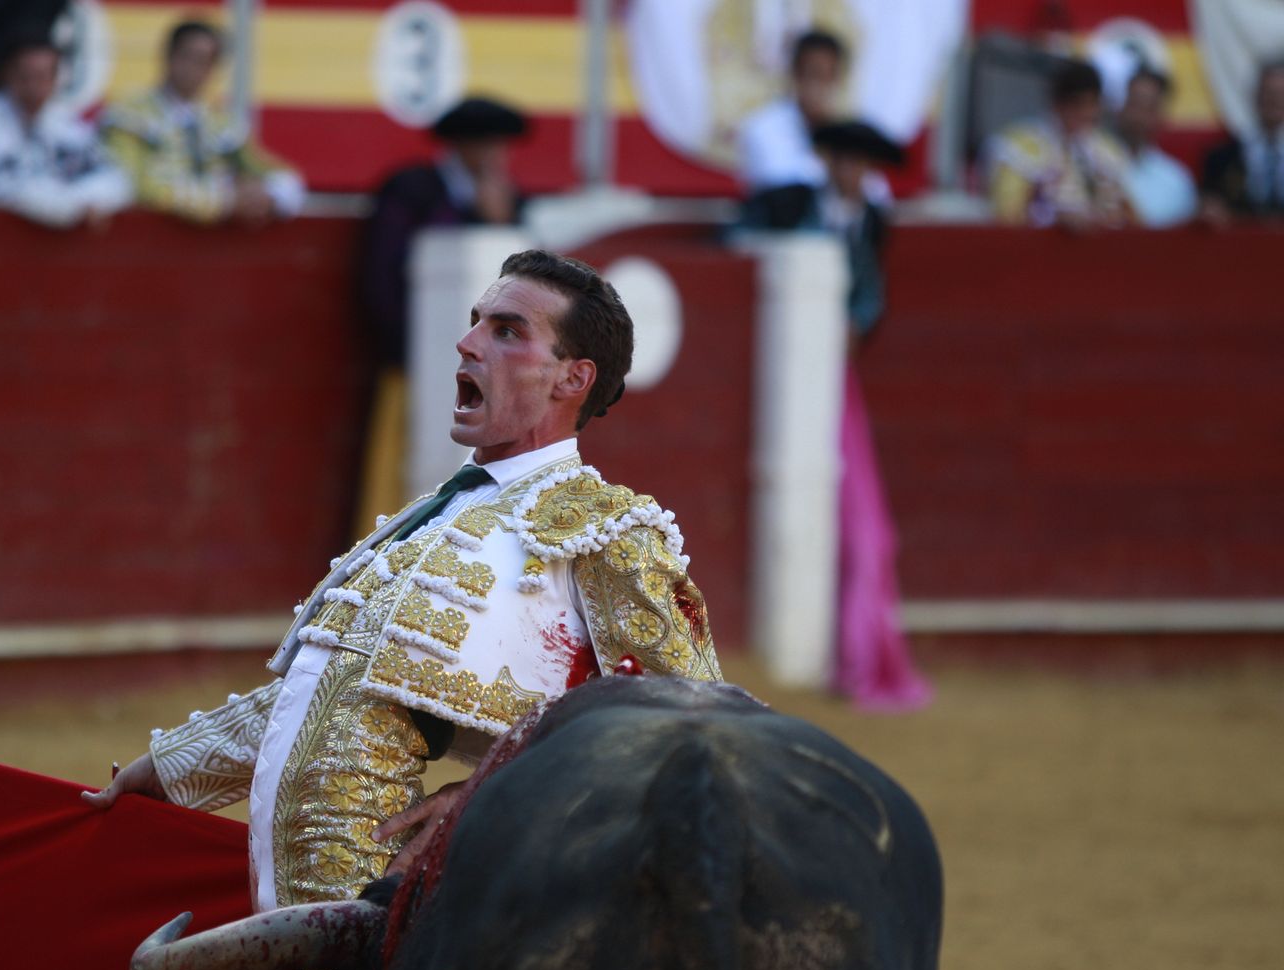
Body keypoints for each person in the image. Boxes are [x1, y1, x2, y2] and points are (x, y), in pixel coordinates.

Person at [85, 250, 725, 912]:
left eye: (508, 331)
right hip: (289, 903)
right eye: (477, 321)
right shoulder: (435, 516)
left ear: (573, 377)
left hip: (401, 912)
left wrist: (490, 798)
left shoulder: (605, 530)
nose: (468, 342)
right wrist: (168, 767)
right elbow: (328, 692)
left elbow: (698, 728)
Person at [739, 121, 931, 713]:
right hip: (781, 372)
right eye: (843, 160)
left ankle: (856, 654)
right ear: (826, 162)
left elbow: (871, 295)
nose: (851, 172)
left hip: (833, 379)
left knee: (865, 526)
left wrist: (854, 324)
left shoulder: (871, 221)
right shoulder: (785, 203)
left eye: (861, 164)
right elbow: (738, 248)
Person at [356, 95, 530, 529]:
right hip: (415, 360)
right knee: (405, 457)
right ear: (460, 145)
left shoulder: (511, 200)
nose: (496, 156)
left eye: (500, 145)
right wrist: (406, 354)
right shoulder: (412, 191)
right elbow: (381, 277)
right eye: (486, 144)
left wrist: (501, 224)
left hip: (487, 373)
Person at [100, 19, 303, 225]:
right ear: (169, 56)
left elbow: (268, 170)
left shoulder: (220, 120)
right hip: (150, 234)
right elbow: (133, 182)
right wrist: (224, 202)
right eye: (188, 56)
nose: (194, 68)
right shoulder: (130, 112)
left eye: (205, 61)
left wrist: (268, 195)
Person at [0, 27, 130, 228]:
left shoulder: (66, 125)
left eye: (43, 76)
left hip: (45, 243)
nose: (34, 87)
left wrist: (72, 204)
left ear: (56, 78)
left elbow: (114, 181)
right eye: (25, 76)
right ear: (4, 74)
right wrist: (68, 207)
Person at [736, 29, 889, 205]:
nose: (821, 87)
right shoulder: (761, 129)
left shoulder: (845, 132)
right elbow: (783, 185)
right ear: (795, 75)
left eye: (830, 76)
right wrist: (840, 173)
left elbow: (878, 192)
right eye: (814, 74)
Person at [985, 59, 1133, 228]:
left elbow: (1132, 217)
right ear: (1057, 103)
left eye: (1092, 104)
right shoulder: (1017, 148)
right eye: (1077, 104)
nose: (1086, 113)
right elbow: (1006, 216)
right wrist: (1051, 218)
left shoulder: (1110, 150)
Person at [1200, 60, 1284, 224]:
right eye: (1268, 92)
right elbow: (1209, 202)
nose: (1274, 100)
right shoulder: (1221, 158)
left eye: (1281, 94)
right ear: (1255, 96)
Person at [1112, 66, 1196, 229]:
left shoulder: (1176, 181)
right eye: (1135, 104)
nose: (1139, 117)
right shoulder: (1091, 163)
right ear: (1120, 106)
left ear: (1161, 115)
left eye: (1149, 108)